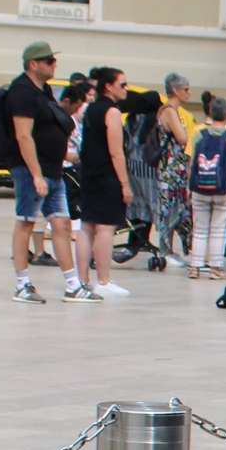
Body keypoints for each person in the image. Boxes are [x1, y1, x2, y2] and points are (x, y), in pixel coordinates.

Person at [4, 42, 80, 302]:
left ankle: (73, 285)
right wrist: (36, 175)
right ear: (32, 64)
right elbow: (24, 136)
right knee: (26, 221)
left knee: (61, 224)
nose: (53, 64)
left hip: (53, 169)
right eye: (48, 60)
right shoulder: (21, 92)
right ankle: (22, 284)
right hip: (30, 170)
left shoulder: (44, 90)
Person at [75, 66, 133, 299]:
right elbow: (116, 151)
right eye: (122, 84)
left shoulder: (89, 109)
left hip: (88, 174)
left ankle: (81, 280)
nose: (126, 89)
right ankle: (103, 280)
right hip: (107, 176)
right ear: (108, 86)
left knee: (86, 227)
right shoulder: (112, 112)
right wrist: (124, 184)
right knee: (106, 227)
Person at [185, 95, 226, 279]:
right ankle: (216, 268)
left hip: (200, 187)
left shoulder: (199, 134)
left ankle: (195, 267)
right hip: (224, 188)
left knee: (199, 228)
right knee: (219, 229)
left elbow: (192, 163)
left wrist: (189, 186)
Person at [150, 72, 195, 265]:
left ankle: (174, 248)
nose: (189, 93)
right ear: (175, 90)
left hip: (177, 168)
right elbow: (183, 138)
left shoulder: (173, 111)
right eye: (186, 89)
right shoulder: (169, 111)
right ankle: (166, 250)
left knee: (179, 207)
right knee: (169, 208)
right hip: (171, 168)